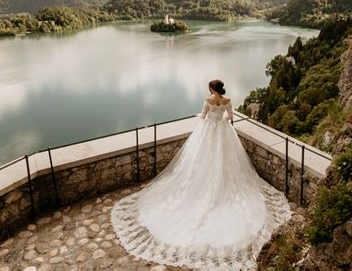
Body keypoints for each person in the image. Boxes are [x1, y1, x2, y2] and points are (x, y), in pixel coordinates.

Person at [110, 79, 291, 270]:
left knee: (200, 162)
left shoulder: (208, 100)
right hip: (224, 133)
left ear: (212, 89)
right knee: (226, 163)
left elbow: (204, 116)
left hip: (208, 134)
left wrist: (204, 115)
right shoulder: (227, 100)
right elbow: (229, 117)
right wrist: (222, 118)